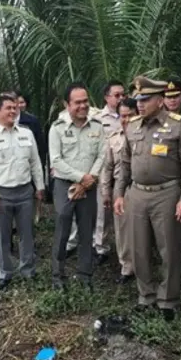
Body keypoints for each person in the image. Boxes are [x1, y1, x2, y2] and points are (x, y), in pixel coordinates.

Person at [113, 77, 181, 321]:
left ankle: (167, 300)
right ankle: (145, 295)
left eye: (146, 99)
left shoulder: (178, 125)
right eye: (138, 99)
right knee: (138, 248)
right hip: (137, 194)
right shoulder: (133, 126)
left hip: (167, 193)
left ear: (160, 100)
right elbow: (125, 164)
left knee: (168, 249)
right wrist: (119, 193)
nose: (140, 104)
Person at [0, 95, 45, 290]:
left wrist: (39, 187)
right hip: (1, 194)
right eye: (8, 108)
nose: (13, 111)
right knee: (3, 236)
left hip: (25, 192)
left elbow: (35, 162)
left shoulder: (26, 133)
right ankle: (4, 273)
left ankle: (27, 270)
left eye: (15, 108)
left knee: (27, 233)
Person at [48, 83, 106, 291]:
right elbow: (56, 160)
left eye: (85, 101)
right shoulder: (57, 128)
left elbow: (102, 154)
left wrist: (90, 178)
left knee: (86, 230)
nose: (83, 106)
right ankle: (58, 275)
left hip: (90, 186)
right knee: (63, 229)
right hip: (65, 185)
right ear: (67, 104)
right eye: (77, 102)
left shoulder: (97, 126)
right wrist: (82, 178)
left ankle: (84, 275)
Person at [100, 98, 138, 284]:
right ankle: (126, 266)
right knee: (122, 230)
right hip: (119, 189)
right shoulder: (113, 138)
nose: (126, 120)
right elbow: (106, 167)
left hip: (140, 187)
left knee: (142, 229)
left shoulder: (145, 135)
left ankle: (144, 262)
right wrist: (106, 192)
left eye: (130, 115)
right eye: (123, 116)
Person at [93, 81, 127, 263]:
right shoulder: (98, 118)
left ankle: (126, 253)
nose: (121, 98)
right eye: (117, 95)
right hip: (104, 171)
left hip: (124, 173)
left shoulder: (132, 115)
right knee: (102, 214)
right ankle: (101, 247)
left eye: (123, 95)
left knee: (123, 216)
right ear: (107, 97)